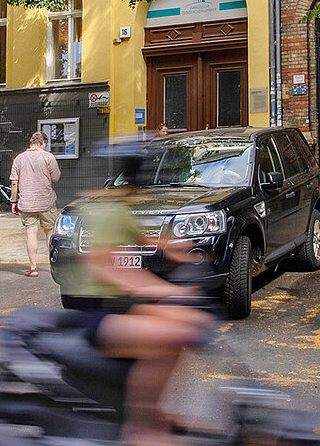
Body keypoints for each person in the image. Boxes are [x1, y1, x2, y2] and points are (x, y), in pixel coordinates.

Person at [72, 147, 213, 446]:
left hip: (121, 308)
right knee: (166, 339)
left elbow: (143, 239)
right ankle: (140, 429)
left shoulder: (119, 205)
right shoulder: (108, 211)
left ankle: (155, 409)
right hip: (98, 313)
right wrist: (163, 289)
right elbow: (102, 267)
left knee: (187, 328)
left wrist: (173, 247)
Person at [10, 130, 62, 278]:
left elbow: (14, 183)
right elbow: (56, 177)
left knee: (31, 234)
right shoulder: (48, 157)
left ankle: (33, 268)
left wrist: (14, 202)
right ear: (43, 143)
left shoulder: (19, 159)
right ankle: (53, 265)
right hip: (46, 202)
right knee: (50, 234)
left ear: (31, 142)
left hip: (27, 203)